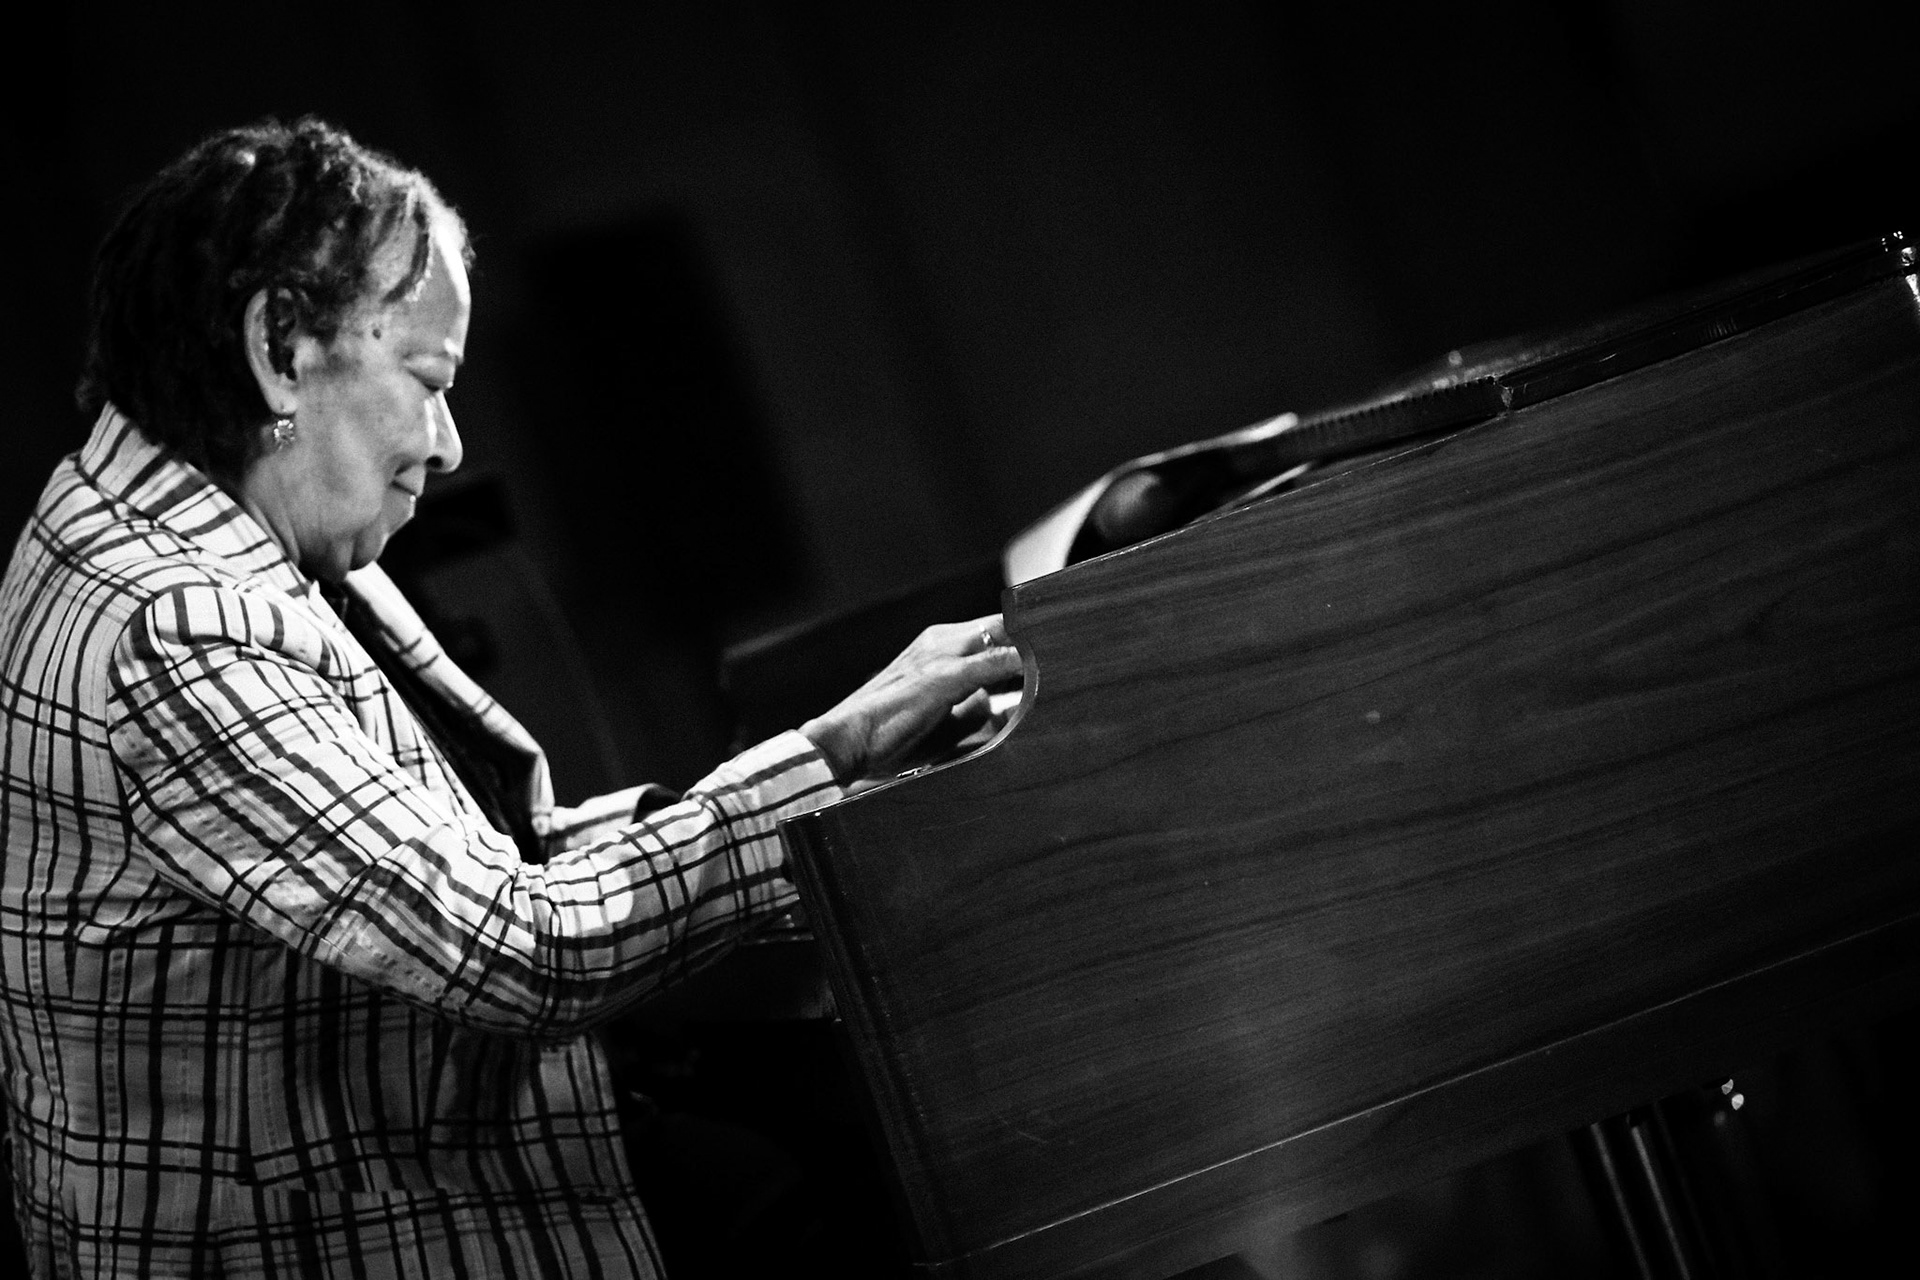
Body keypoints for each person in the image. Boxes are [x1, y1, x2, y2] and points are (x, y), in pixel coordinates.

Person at [0, 117, 1020, 1278]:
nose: (445, 443)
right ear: (281, 344)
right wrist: (827, 761)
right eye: (426, 379)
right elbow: (516, 945)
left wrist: (806, 781)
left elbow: (495, 856)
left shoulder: (186, 521)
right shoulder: (171, 624)